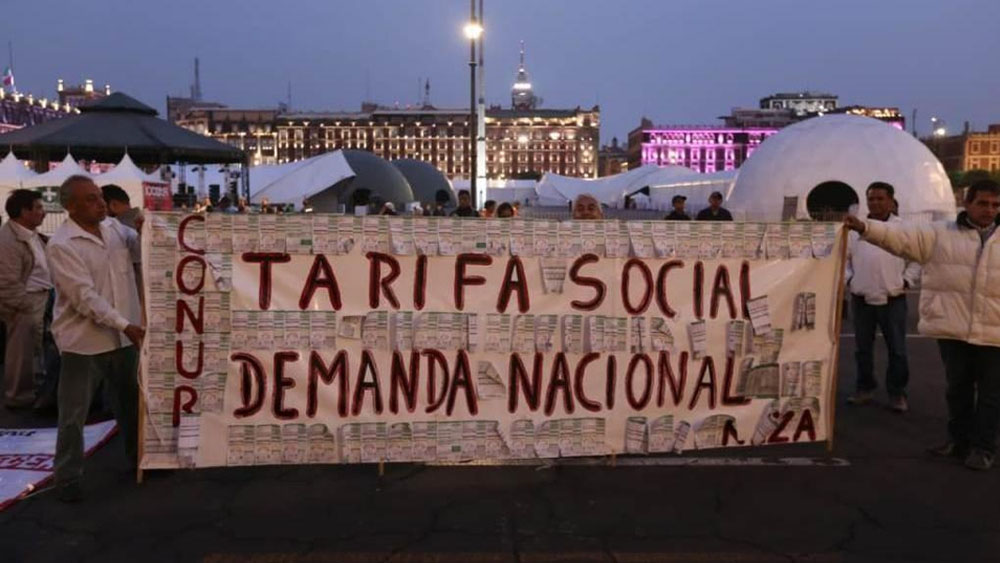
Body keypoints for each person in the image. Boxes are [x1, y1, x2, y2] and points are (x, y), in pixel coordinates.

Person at [844, 179, 1000, 470]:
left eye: (995, 205)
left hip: (994, 332)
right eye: (982, 203)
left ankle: (983, 448)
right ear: (967, 204)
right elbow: (901, 239)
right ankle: (958, 442)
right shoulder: (941, 234)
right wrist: (866, 228)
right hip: (954, 328)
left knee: (991, 395)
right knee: (958, 390)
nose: (989, 210)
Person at [47, 175, 145, 501]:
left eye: (100, 196)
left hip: (125, 338)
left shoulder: (115, 229)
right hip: (84, 342)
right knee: (74, 415)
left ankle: (140, 460)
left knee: (132, 405)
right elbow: (84, 298)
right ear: (70, 206)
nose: (101, 202)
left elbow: (140, 244)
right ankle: (68, 478)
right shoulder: (62, 244)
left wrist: (150, 229)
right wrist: (125, 324)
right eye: (91, 199)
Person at [845, 182, 921, 412]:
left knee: (897, 349)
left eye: (880, 198)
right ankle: (865, 388)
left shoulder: (903, 228)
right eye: (871, 199)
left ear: (891, 200)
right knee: (862, 349)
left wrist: (907, 280)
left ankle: (897, 393)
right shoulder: (855, 229)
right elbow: (843, 260)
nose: (875, 203)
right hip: (861, 299)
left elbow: (917, 258)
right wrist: (849, 280)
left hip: (892, 298)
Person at [0, 189, 52, 409]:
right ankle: (18, 397)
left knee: (36, 349)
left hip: (42, 296)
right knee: (22, 351)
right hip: (25, 300)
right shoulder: (8, 240)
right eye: (38, 207)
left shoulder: (31, 234)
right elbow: (6, 281)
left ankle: (33, 391)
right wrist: (25, 306)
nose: (44, 212)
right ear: (24, 211)